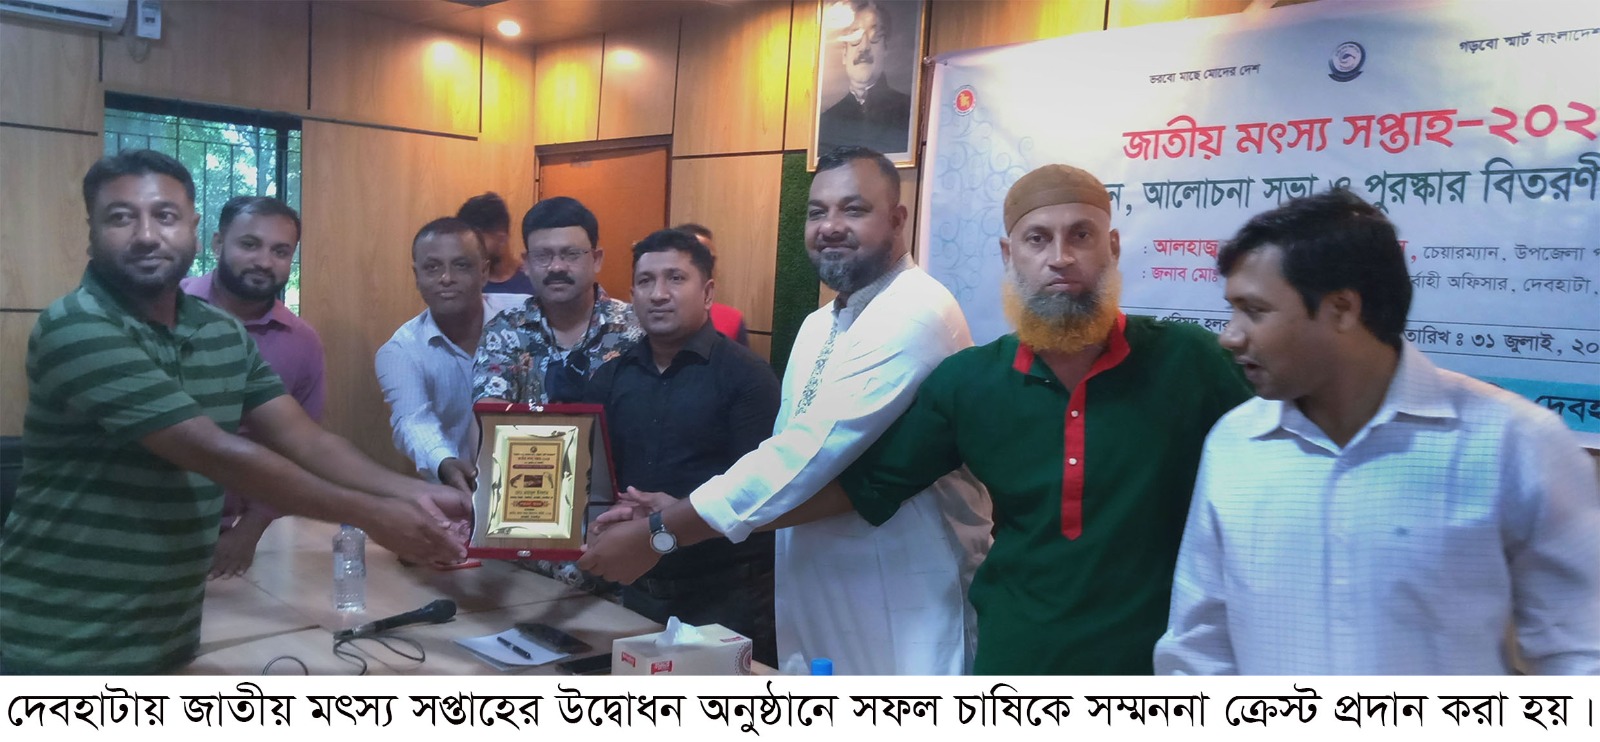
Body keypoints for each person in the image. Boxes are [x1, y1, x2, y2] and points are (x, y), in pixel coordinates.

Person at [0, 150, 468, 674]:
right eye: (121, 217)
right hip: (56, 636)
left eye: (165, 216)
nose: (147, 235)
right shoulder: (76, 326)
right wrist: (372, 515)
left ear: (194, 229)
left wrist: (414, 493)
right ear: (91, 232)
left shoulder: (220, 332)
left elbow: (306, 440)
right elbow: (212, 452)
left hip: (167, 629)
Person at [580, 146, 993, 675]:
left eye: (853, 209)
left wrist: (664, 530)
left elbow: (802, 457)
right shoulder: (820, 323)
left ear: (897, 219)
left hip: (905, 591)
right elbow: (785, 468)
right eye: (817, 212)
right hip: (817, 583)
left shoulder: (918, 310)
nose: (830, 226)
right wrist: (679, 510)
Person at [1153, 189, 1600, 675]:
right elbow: (1200, 643)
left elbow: (1581, 648)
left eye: (1254, 310)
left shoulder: (1514, 441)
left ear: (1342, 308)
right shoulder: (1235, 444)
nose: (1229, 336)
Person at [839, 163, 1253, 674]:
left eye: (1082, 235)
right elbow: (870, 486)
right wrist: (748, 513)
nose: (1061, 257)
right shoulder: (969, 382)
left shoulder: (1190, 361)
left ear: (1113, 247)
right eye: (1037, 239)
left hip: (1160, 669)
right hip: (1015, 663)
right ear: (1008, 255)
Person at [582, 229, 781, 666]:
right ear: (631, 294)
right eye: (645, 281)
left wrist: (679, 512)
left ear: (707, 293)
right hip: (638, 588)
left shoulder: (748, 379)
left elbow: (764, 497)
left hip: (726, 595)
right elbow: (592, 481)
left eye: (675, 278)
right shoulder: (611, 379)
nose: (658, 294)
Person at [180, 196, 325, 579]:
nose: (264, 261)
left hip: (231, 539)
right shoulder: (167, 310)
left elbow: (299, 450)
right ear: (217, 243)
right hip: (141, 524)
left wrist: (249, 531)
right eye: (249, 244)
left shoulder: (301, 342)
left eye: (280, 251)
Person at [377, 217, 528, 493]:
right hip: (455, 491)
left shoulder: (524, 318)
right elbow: (412, 420)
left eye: (461, 265)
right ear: (417, 276)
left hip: (536, 482)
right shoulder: (401, 351)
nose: (446, 278)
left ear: (484, 272)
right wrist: (444, 461)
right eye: (432, 268)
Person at [473, 196, 641, 405]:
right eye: (543, 256)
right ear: (526, 264)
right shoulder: (504, 331)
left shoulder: (635, 328)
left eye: (571, 254)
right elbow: (490, 415)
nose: (557, 267)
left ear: (596, 259)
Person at [815, 0, 913, 157]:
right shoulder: (826, 122)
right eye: (855, 37)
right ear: (844, 54)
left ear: (885, 48)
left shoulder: (909, 111)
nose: (864, 47)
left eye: (874, 37)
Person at [673, 222, 750, 347]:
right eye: (698, 259)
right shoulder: (651, 317)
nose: (706, 267)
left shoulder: (731, 320)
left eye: (711, 260)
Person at [458, 192, 536, 295]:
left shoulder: (533, 282)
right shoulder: (464, 285)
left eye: (477, 241)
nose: (469, 250)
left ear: (501, 239)